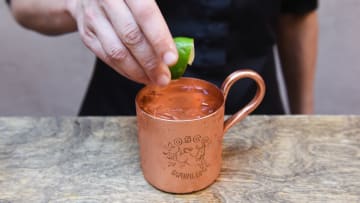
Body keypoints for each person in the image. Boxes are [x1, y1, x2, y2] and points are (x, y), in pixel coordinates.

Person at [6, 0, 318, 115]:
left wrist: (304, 120)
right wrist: (76, 4)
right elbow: (23, 5)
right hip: (121, 116)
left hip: (253, 115)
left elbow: (297, 15)